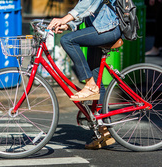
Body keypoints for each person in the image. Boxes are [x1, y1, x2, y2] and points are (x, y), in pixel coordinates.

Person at [47, 0, 121, 149]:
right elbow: (87, 12)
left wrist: (64, 18)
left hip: (108, 28)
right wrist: (68, 24)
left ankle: (89, 84)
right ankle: (103, 133)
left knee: (67, 40)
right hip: (98, 28)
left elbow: (89, 3)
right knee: (97, 81)